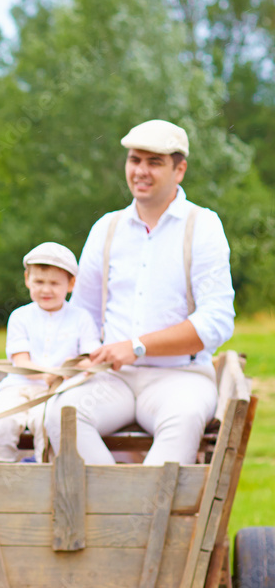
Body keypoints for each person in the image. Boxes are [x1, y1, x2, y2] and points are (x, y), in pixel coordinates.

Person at [44, 119, 235, 465]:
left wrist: (137, 346)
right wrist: (83, 356)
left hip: (180, 378)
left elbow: (216, 321)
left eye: (154, 162)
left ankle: (138, 513)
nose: (141, 171)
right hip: (112, 378)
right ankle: (115, 509)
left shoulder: (203, 226)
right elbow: (83, 310)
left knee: (183, 421)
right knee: (62, 415)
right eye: (135, 160)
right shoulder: (107, 227)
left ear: (180, 169)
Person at [0, 242, 100, 462]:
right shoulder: (20, 317)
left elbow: (91, 361)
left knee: (48, 424)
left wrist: (74, 366)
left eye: (54, 283)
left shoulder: (81, 318)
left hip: (57, 392)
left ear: (71, 284)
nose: (46, 290)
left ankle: (43, 473)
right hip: (18, 387)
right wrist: (49, 372)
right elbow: (20, 362)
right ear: (27, 279)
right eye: (39, 281)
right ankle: (0, 473)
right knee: (2, 422)